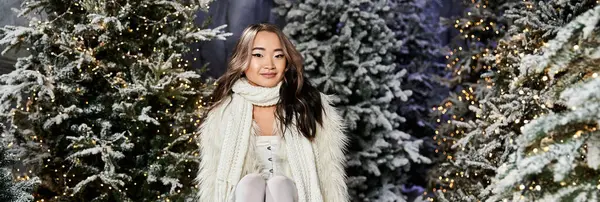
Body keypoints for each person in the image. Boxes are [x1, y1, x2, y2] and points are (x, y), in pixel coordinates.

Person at [194, 23, 349, 202]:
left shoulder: (308, 104)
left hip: (296, 197)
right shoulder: (224, 111)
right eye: (258, 55)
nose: (269, 64)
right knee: (250, 183)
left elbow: (329, 177)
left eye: (278, 55)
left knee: (280, 184)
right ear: (243, 60)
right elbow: (213, 180)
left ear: (287, 62)